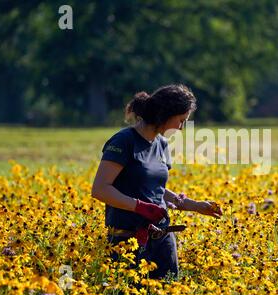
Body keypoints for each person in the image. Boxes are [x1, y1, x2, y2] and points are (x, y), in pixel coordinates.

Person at [91, 84, 223, 280]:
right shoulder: (123, 141)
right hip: (127, 239)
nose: (181, 128)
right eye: (181, 121)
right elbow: (100, 189)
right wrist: (138, 207)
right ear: (166, 114)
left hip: (162, 237)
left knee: (169, 291)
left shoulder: (161, 144)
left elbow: (156, 190)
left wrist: (195, 206)